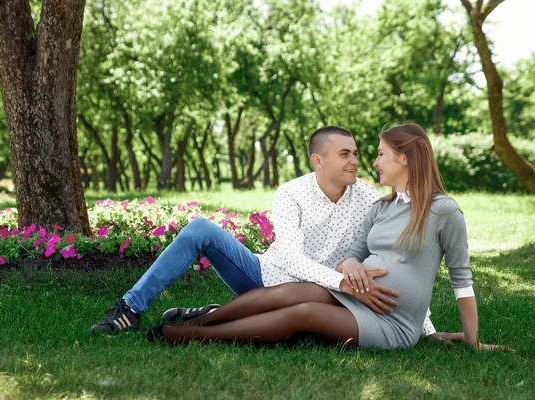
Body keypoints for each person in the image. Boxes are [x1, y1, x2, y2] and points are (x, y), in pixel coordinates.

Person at [144, 123, 503, 351]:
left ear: (406, 159)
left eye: (378, 154)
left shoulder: (444, 212)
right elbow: (352, 252)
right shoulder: (381, 207)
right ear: (319, 159)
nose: (371, 163)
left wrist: (466, 340)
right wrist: (348, 268)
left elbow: (461, 282)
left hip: (391, 321)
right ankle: (201, 320)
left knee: (303, 312)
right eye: (363, 154)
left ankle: (192, 335)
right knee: (294, 292)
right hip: (352, 293)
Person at [90, 125, 439, 340]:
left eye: (357, 154)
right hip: (266, 277)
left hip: (324, 299)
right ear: (319, 161)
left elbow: (398, 262)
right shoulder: (291, 193)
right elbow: (289, 257)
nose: (355, 161)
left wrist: (426, 328)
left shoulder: (368, 199)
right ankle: (129, 309)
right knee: (200, 229)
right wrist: (340, 281)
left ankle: (211, 315)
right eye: (344, 154)